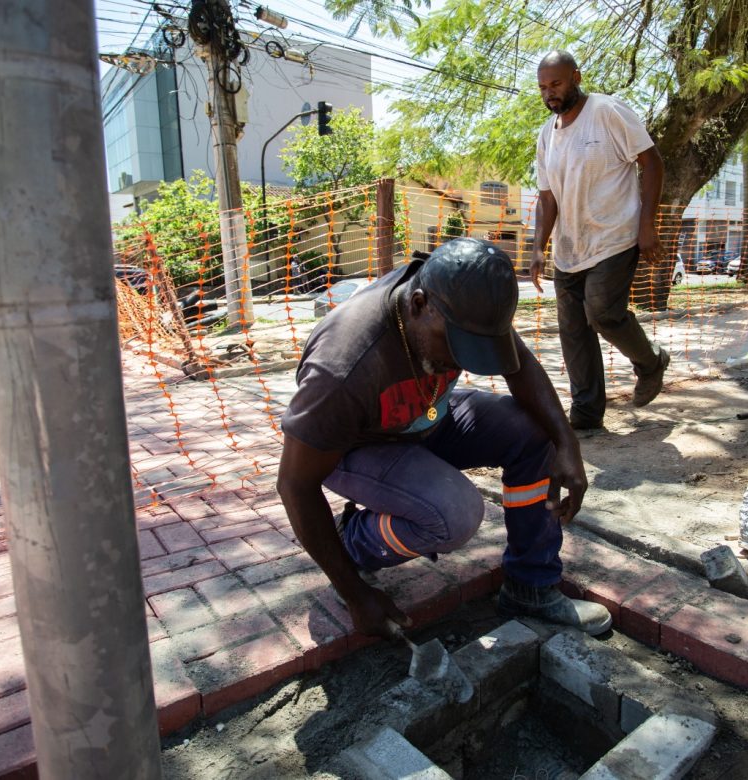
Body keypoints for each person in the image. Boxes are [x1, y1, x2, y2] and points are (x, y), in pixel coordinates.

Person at [277, 237, 613, 639]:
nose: (460, 362)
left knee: (535, 432)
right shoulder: (344, 368)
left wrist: (567, 443)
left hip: (426, 418)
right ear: (418, 305)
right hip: (359, 448)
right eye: (456, 347)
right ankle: (352, 543)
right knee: (454, 515)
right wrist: (354, 592)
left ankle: (531, 585)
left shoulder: (468, 302)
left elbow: (520, 365)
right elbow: (295, 483)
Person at [530, 50, 670, 431]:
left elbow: (652, 162)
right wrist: (538, 247)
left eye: (556, 83)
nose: (550, 93)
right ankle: (587, 416)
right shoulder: (547, 135)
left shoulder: (607, 112)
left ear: (575, 76)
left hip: (614, 236)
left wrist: (647, 225)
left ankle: (651, 362)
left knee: (603, 313)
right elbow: (547, 197)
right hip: (569, 249)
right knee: (574, 333)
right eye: (543, 87)